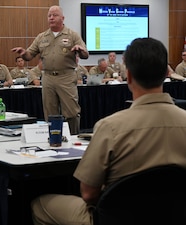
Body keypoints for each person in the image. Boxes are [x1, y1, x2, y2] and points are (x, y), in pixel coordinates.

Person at [31, 37, 186, 225]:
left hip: (117, 218)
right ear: (166, 74)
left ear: (128, 76)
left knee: (40, 205)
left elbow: (88, 194)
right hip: (175, 215)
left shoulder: (110, 127)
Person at [11, 5, 89, 134]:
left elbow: (85, 54)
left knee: (71, 112)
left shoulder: (72, 35)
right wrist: (23, 53)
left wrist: (80, 51)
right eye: (49, 16)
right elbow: (29, 55)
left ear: (62, 18)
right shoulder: (42, 37)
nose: (51, 18)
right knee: (50, 113)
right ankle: (54, 140)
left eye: (55, 15)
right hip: (47, 78)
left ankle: (73, 138)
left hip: (66, 76)